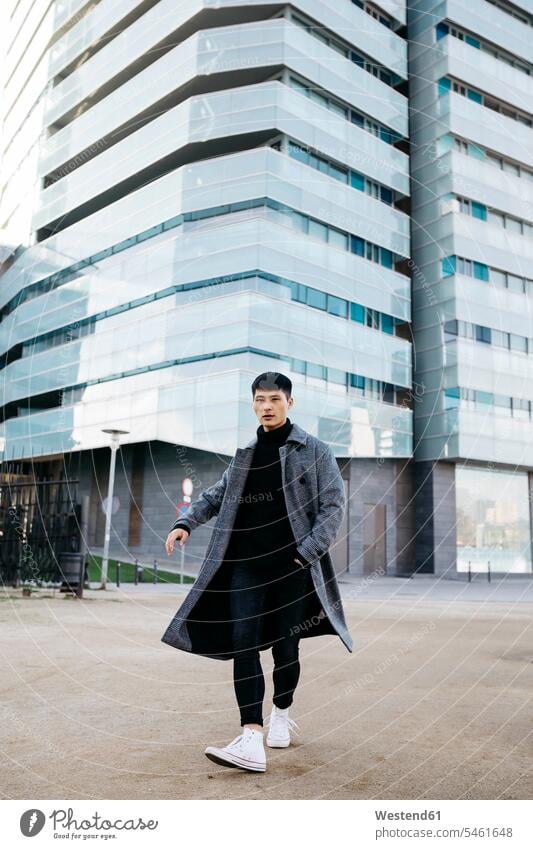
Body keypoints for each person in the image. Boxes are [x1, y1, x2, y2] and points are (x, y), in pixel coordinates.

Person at [164, 371, 350, 772]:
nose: (266, 406)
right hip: (245, 565)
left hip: (292, 567)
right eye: (259, 400)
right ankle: (251, 736)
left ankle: (280, 713)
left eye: (275, 400)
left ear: (289, 403)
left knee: (286, 646)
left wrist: (306, 554)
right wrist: (186, 523)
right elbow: (218, 495)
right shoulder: (246, 453)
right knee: (243, 641)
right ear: (253, 404)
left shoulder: (315, 451)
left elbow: (333, 507)